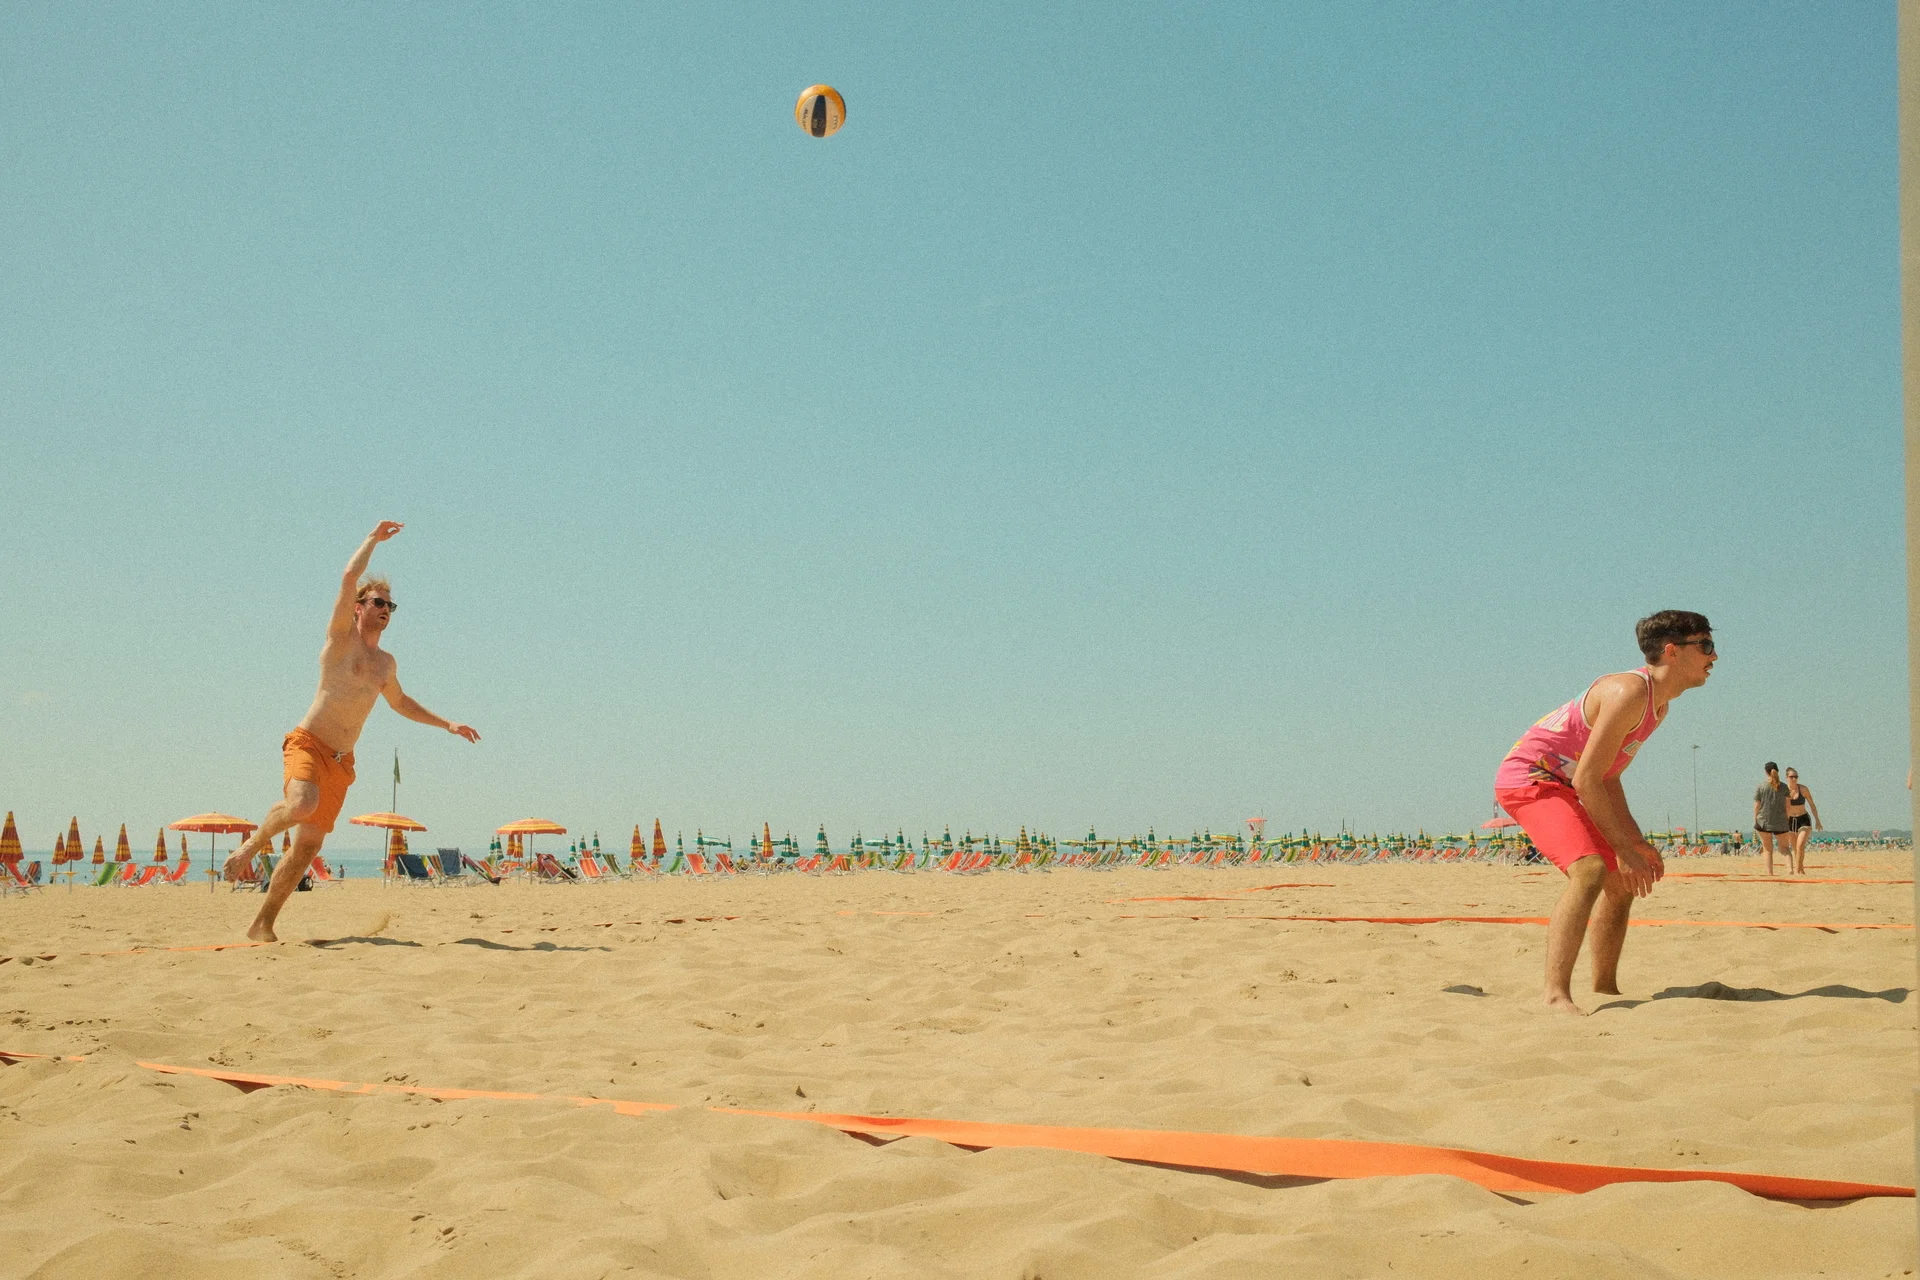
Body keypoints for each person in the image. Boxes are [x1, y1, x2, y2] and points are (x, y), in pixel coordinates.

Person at [222, 522, 480, 940]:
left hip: (342, 762)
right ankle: (252, 845)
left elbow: (400, 703)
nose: (385, 610)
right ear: (359, 607)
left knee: (308, 846)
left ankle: (262, 924)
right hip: (308, 742)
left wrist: (446, 723)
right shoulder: (340, 641)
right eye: (379, 602)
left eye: (391, 607)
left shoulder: (385, 665)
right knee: (302, 803)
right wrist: (372, 541)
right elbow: (347, 577)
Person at [1494, 610, 1716, 1015]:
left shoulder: (1658, 706)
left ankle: (1605, 989)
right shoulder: (1627, 693)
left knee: (1620, 883)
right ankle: (1555, 996)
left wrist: (1634, 842)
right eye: (1706, 645)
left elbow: (1608, 778)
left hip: (1567, 783)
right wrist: (1623, 849)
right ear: (1672, 652)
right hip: (1530, 779)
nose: (1714, 656)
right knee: (1592, 871)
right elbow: (1587, 780)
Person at [1753, 762, 1792, 876]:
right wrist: (1787, 818)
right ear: (1777, 771)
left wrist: (1755, 818)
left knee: (1767, 849)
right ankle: (1790, 869)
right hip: (1780, 821)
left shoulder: (1761, 786)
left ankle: (1770, 873)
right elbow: (1788, 806)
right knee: (1785, 848)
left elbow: (1757, 805)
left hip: (1764, 820)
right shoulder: (1784, 787)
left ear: (1766, 772)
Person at [1783, 767, 1821, 875]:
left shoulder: (1803, 789)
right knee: (1795, 848)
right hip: (1790, 821)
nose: (1794, 779)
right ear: (1787, 778)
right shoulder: (1784, 792)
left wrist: (1817, 819)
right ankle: (1801, 868)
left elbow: (1812, 805)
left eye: (1796, 776)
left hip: (1803, 819)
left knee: (1800, 846)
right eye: (1791, 777)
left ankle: (1797, 870)